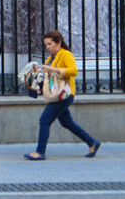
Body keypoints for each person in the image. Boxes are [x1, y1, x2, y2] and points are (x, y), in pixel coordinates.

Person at [24, 29, 101, 161]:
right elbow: (50, 72)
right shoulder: (52, 57)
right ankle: (92, 142)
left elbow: (74, 71)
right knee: (67, 122)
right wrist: (40, 69)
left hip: (64, 93)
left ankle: (40, 151)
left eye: (50, 44)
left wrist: (53, 69)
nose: (48, 47)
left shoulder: (66, 54)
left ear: (58, 42)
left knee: (44, 120)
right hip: (57, 93)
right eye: (46, 45)